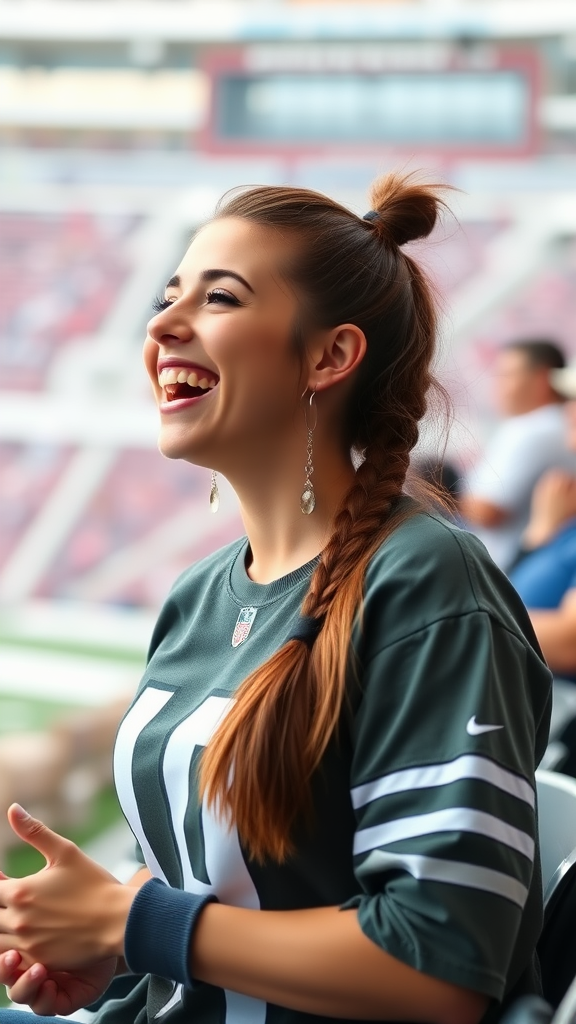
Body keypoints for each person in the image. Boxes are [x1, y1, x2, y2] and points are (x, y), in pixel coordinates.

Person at [0, 175, 552, 1024]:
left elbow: (441, 967)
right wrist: (107, 954)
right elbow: (224, 910)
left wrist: (136, 921)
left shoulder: (428, 584)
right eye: (166, 295)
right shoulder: (199, 595)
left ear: (329, 357)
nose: (161, 325)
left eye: (219, 297)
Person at [461, 339, 575, 572]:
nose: (497, 386)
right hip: (530, 566)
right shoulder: (548, 425)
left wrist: (441, 492)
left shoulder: (533, 429)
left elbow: (487, 512)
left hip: (509, 571)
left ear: (542, 379)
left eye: (507, 375)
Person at [509, 366, 576, 679]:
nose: (568, 409)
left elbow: (570, 642)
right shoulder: (563, 502)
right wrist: (540, 532)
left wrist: (467, 621)